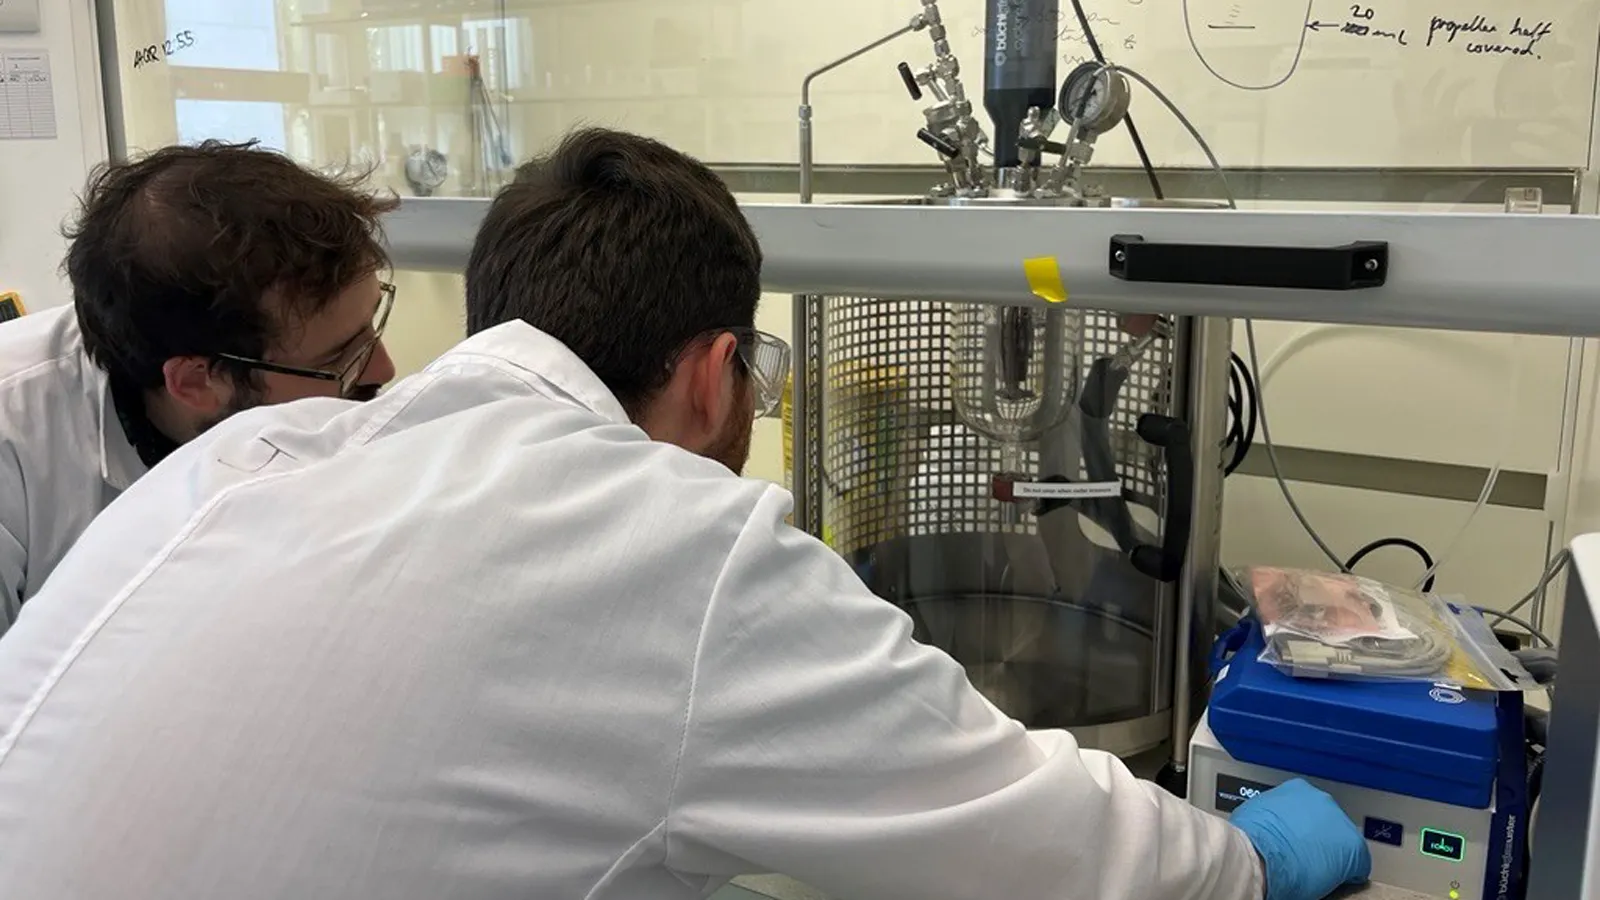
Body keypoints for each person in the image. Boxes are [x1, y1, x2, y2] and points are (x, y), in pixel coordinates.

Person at [0, 128, 1369, 900]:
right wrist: (1248, 859)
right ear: (719, 370)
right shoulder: (671, 539)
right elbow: (1052, 852)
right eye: (755, 379)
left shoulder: (246, 458)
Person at [0, 141, 398, 628]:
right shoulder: (15, 444)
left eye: (371, 326)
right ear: (195, 381)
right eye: (342, 357)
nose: (384, 370)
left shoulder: (302, 398)